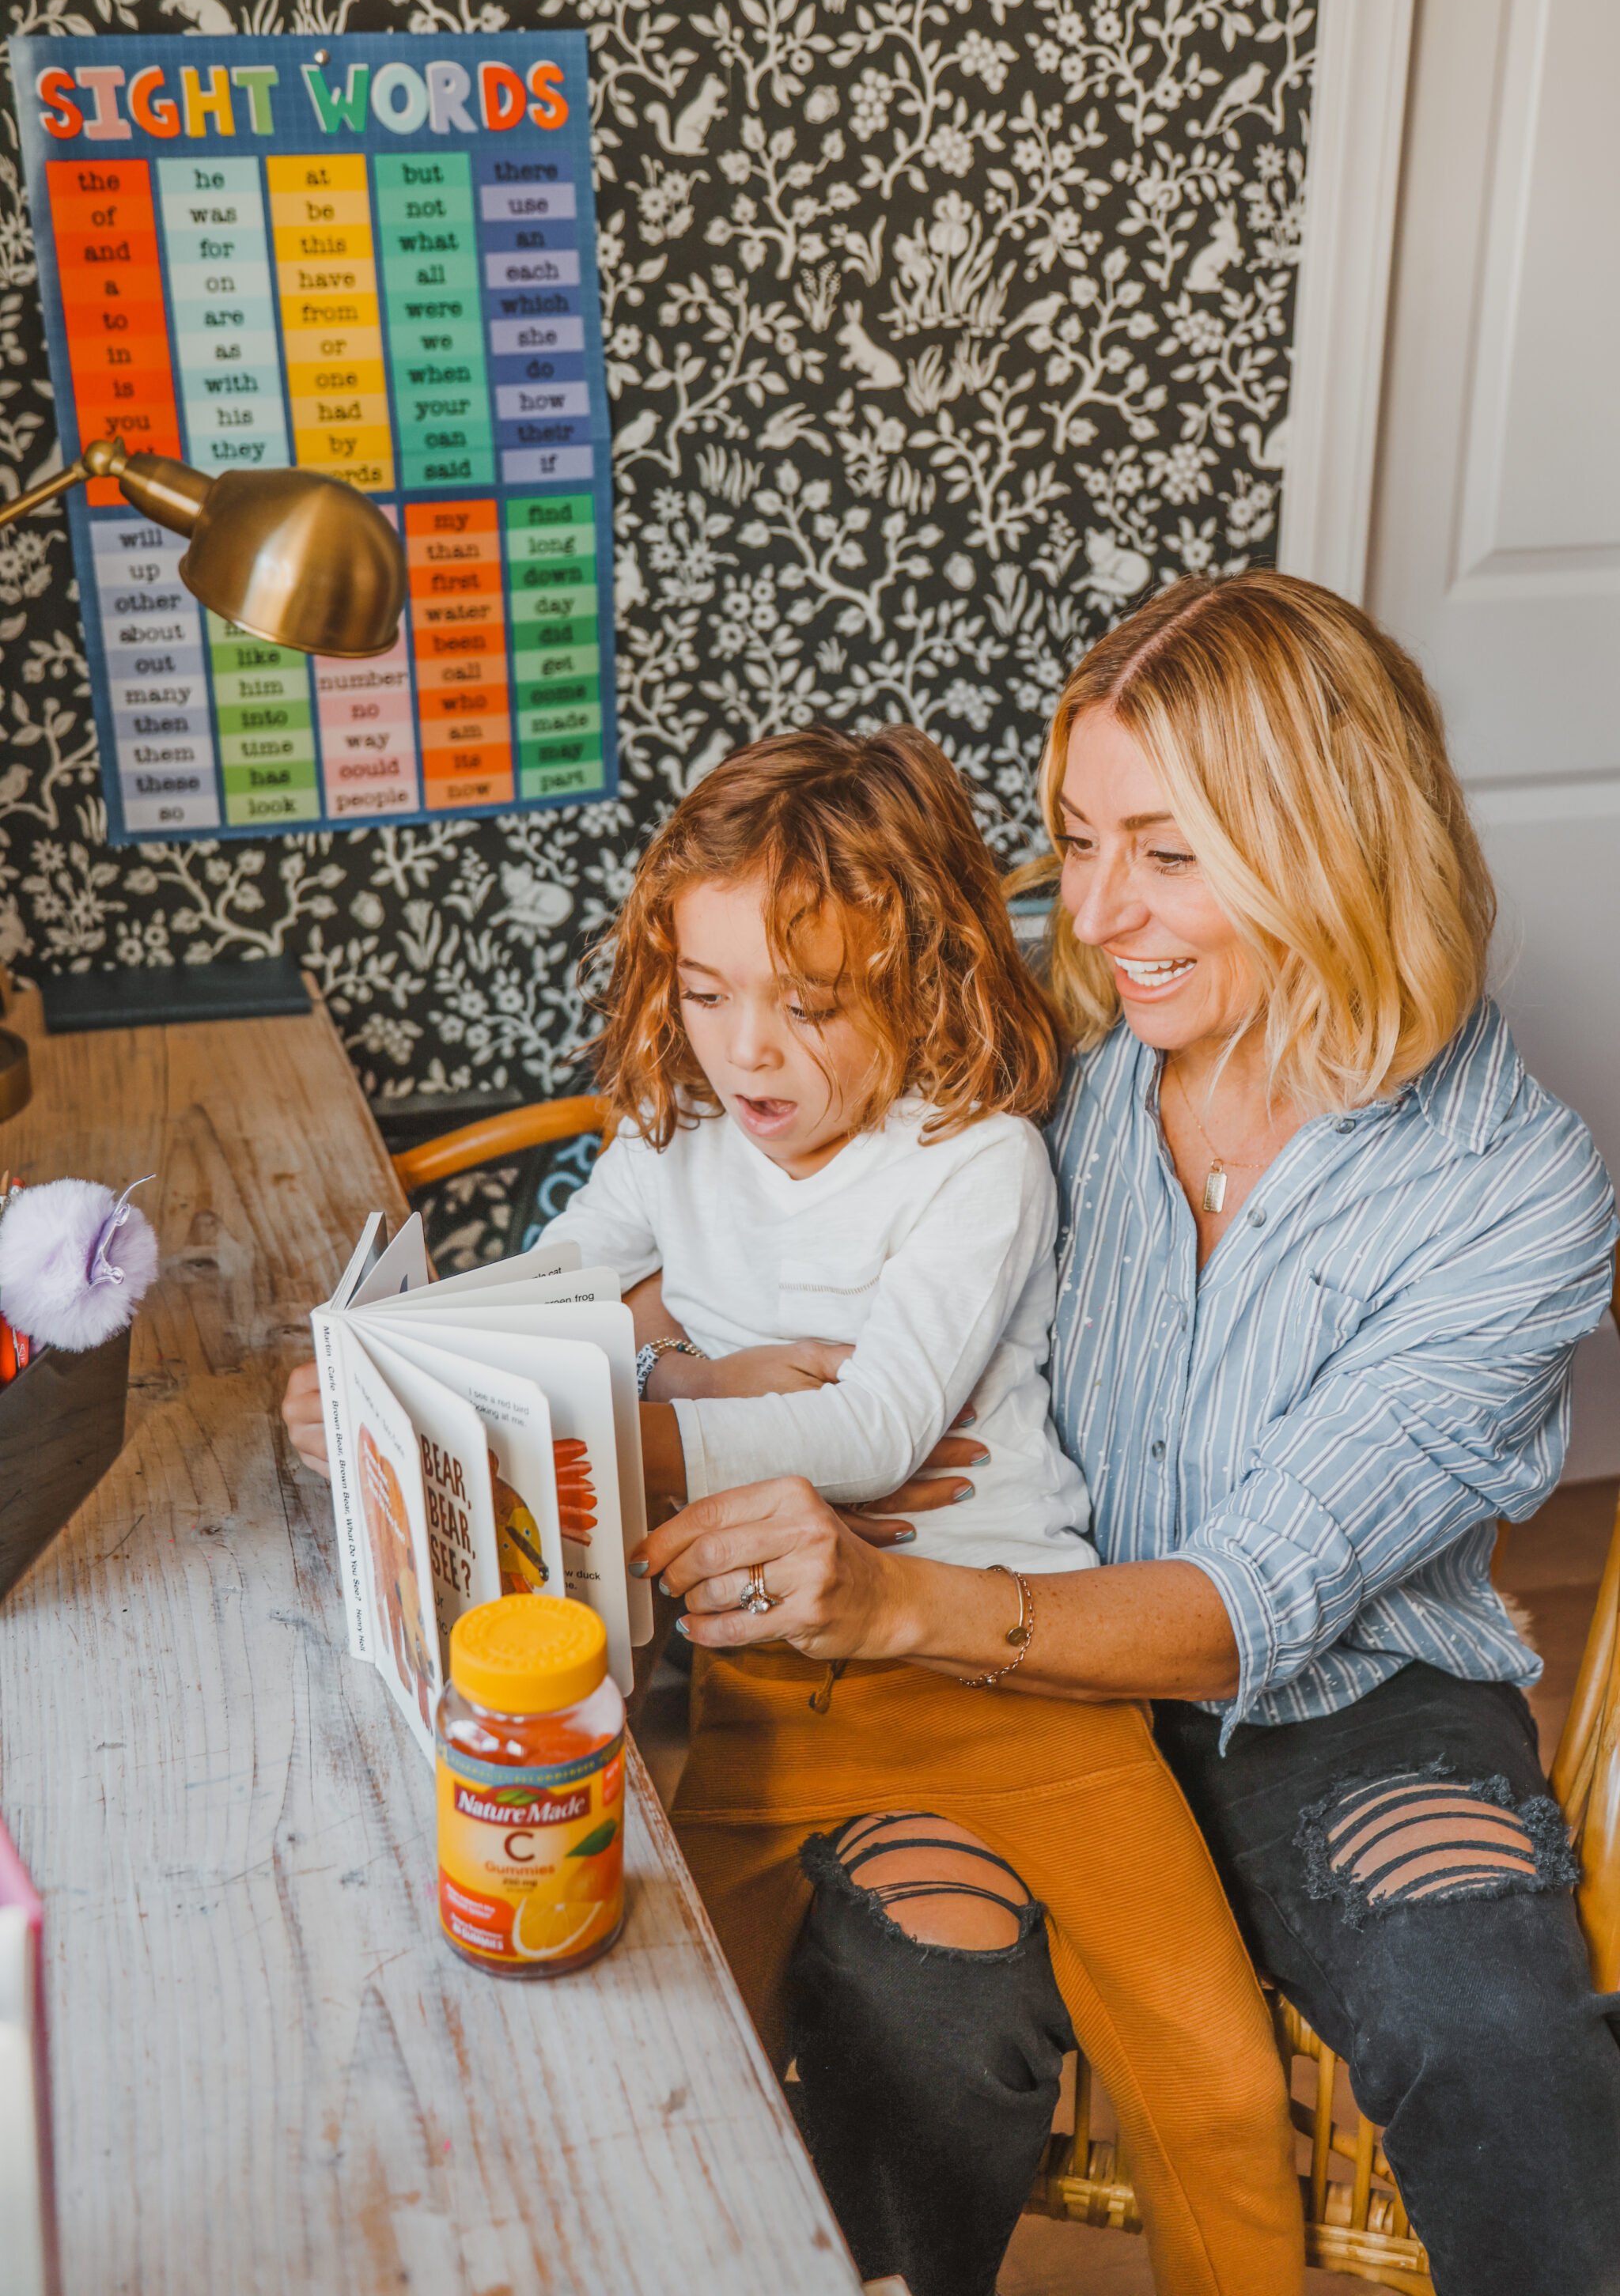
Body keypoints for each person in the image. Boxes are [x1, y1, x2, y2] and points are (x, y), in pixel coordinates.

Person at [634, 572, 1620, 2296]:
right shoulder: (1051, 1043)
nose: (1095, 909)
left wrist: (894, 1597)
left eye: (1165, 852)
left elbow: (1255, 1593)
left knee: (1491, 2025)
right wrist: (684, 1359)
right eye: (1078, 840)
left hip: (1343, 1710)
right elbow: (735, 1178)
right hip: (990, 1696)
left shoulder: (1511, 1188)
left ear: (1327, 839)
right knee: (917, 1987)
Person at [538, 727, 1302, 2296]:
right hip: (768, 1688)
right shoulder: (676, 1128)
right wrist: (420, 1356)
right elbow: (549, 1281)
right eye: (705, 993)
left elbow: (876, 1433)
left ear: (922, 976)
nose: (749, 1052)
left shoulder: (977, 1159)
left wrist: (611, 1419)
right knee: (658, 2071)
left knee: (1216, 2089)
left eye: (808, 1006)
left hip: (1027, 1688)